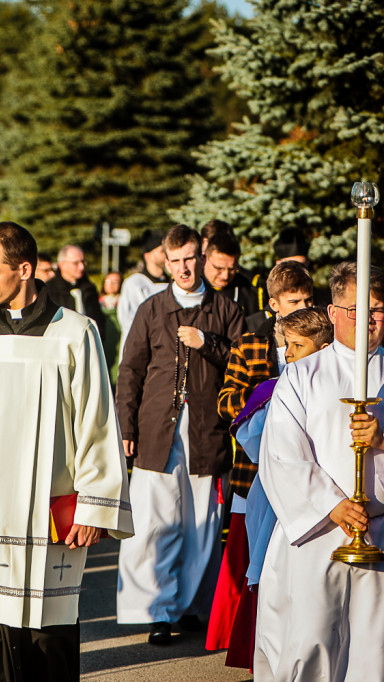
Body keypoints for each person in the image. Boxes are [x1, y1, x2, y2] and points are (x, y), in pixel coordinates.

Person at [0, 221, 133, 681]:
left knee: (46, 632)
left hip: (48, 514)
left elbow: (95, 421)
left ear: (26, 270)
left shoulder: (75, 332)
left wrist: (94, 507)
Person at [254, 262, 384, 680]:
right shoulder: (301, 374)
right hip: (318, 533)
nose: (366, 320)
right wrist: (333, 505)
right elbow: (282, 454)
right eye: (354, 309)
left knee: (374, 649)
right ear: (331, 313)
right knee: (312, 642)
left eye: (377, 310)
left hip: (381, 531)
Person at [115, 225, 243, 644]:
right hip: (157, 432)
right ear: (165, 263)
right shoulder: (152, 309)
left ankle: (191, 606)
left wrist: (207, 342)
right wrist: (126, 426)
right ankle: (156, 610)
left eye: (190, 258)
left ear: (201, 256)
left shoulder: (224, 309)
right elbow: (130, 370)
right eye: (176, 261)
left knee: (201, 524)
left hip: (208, 434)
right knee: (154, 523)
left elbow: (245, 366)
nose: (184, 268)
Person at [205, 261, 314, 653]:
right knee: (254, 564)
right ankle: (254, 649)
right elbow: (225, 399)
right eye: (292, 300)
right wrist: (266, 396)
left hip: (307, 474)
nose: (301, 306)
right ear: (274, 304)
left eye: (307, 299)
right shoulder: (251, 342)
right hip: (255, 473)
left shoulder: (322, 343)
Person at [220, 306, 332, 670]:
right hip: (273, 500)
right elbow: (252, 442)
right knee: (276, 586)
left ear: (323, 345)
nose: (288, 354)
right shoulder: (276, 388)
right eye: (286, 345)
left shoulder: (329, 384)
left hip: (319, 502)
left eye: (297, 346)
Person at [116, 230, 168, 359]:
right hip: (140, 351)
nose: (166, 255)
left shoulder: (173, 284)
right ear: (148, 255)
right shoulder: (135, 283)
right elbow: (127, 319)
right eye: (161, 251)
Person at [47, 245, 106, 342]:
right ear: (62, 264)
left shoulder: (89, 288)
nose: (81, 267)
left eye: (83, 262)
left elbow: (98, 320)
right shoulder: (49, 290)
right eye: (75, 263)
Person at [204, 232, 260, 318]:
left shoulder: (250, 294)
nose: (225, 276)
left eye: (231, 269)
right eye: (219, 268)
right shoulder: (189, 287)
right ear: (204, 259)